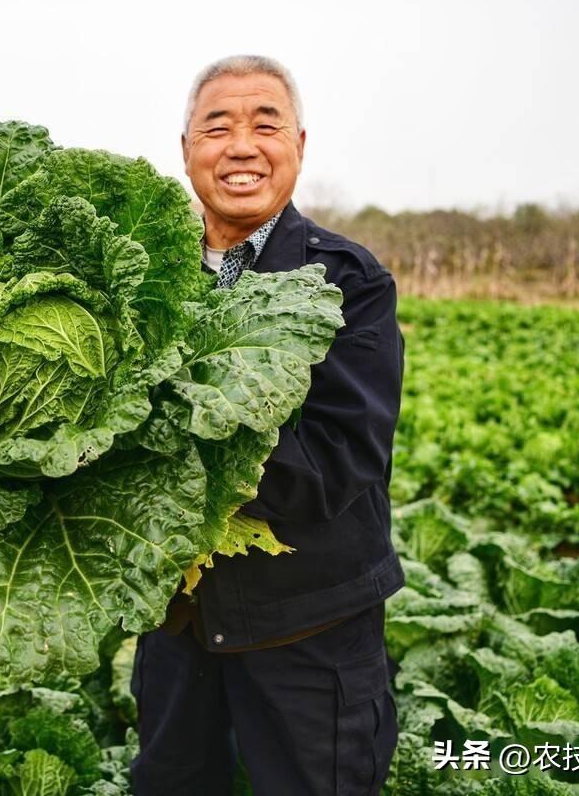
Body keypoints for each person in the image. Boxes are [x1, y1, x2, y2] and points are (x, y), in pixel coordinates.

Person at [129, 55, 405, 795]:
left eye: (265, 124)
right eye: (217, 127)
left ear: (300, 146)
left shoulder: (348, 280)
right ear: (186, 148)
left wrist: (179, 422)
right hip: (178, 628)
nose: (242, 146)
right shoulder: (139, 278)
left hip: (309, 633)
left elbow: (343, 461)